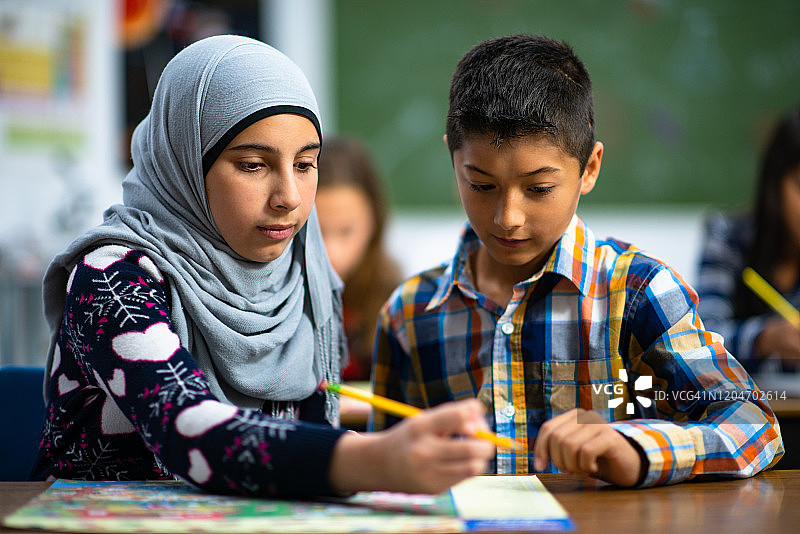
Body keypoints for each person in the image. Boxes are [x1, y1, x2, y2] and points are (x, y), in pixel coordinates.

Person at [30, 35, 494, 497]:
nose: (290, 197)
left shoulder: (305, 274)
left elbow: (314, 429)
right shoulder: (112, 277)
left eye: (307, 164)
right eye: (253, 165)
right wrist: (368, 458)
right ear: (186, 161)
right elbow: (187, 428)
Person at [369, 34, 784, 488]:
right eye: (482, 185)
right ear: (454, 161)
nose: (508, 218)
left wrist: (637, 449)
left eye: (539, 189)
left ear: (589, 168)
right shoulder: (410, 314)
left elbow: (753, 425)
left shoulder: (637, 291)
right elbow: (386, 471)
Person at [696, 106, 800, 374]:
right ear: (775, 184)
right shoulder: (728, 237)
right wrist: (765, 338)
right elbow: (700, 341)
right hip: (743, 409)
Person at [315, 137, 404, 381]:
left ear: (375, 223)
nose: (333, 252)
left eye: (346, 231)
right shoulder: (274, 300)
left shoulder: (397, 302)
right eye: (317, 231)